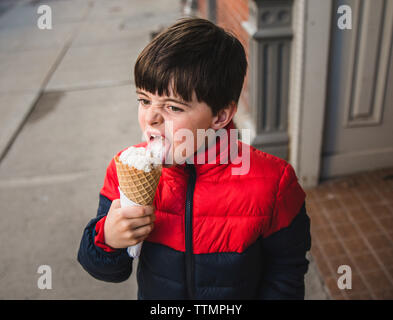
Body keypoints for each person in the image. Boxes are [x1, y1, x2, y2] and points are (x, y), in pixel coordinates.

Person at [77, 17, 311, 299]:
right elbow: (107, 270)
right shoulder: (123, 169)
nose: (151, 117)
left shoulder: (274, 183)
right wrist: (108, 239)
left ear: (220, 115)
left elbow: (286, 271)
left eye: (173, 107)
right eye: (144, 100)